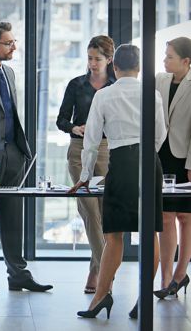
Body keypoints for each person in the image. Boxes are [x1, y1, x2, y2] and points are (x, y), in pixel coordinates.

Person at [70, 44, 166, 319]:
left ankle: (100, 298)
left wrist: (86, 176)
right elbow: (160, 133)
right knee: (150, 232)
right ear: (139, 68)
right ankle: (143, 300)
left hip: (121, 161)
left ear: (114, 67)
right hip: (149, 161)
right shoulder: (153, 94)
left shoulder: (104, 94)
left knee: (113, 235)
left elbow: (91, 141)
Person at [0, 21, 53, 294]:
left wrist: (20, 154)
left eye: (13, 42)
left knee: (14, 219)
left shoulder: (10, 74)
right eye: (8, 43)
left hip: (13, 157)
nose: (14, 46)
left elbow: (9, 115)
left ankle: (18, 274)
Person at [56, 35, 116, 294]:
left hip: (107, 150)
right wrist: (74, 127)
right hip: (79, 151)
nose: (92, 63)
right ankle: (106, 272)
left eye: (97, 59)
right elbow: (61, 120)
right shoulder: (75, 85)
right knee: (89, 212)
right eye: (89, 58)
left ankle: (95, 270)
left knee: (103, 214)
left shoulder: (115, 86)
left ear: (109, 59)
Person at [153, 37, 191, 300]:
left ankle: (180, 274)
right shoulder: (159, 80)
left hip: (184, 158)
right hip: (160, 156)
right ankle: (165, 278)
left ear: (186, 61)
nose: (164, 60)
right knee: (165, 217)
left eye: (169, 57)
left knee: (185, 218)